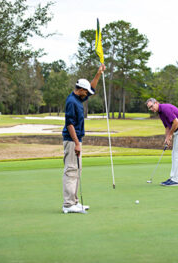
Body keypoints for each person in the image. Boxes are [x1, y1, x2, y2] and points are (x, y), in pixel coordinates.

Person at [62, 64, 106, 213]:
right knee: (71, 170)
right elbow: (69, 124)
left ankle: (74, 201)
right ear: (80, 89)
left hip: (76, 139)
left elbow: (92, 88)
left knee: (77, 170)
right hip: (71, 140)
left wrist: (98, 74)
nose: (87, 93)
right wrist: (76, 143)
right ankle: (68, 205)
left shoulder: (78, 98)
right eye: (85, 91)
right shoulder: (71, 102)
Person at [146, 98, 178, 186]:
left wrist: (170, 135)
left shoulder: (165, 108)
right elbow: (167, 127)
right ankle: (173, 178)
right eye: (149, 108)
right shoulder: (160, 113)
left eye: (152, 106)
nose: (151, 109)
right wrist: (167, 138)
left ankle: (175, 180)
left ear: (156, 103)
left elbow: (176, 122)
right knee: (174, 155)